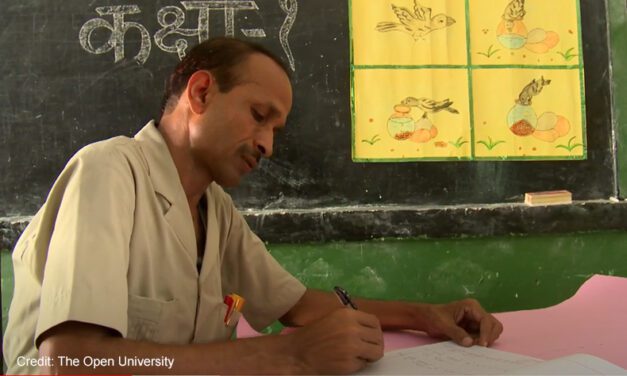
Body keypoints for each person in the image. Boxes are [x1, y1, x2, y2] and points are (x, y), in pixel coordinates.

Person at [4, 37, 503, 375]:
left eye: (275, 130)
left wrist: (425, 314)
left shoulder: (214, 210)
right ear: (200, 92)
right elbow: (73, 361)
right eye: (259, 116)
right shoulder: (109, 172)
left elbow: (299, 307)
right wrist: (288, 355)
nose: (267, 145)